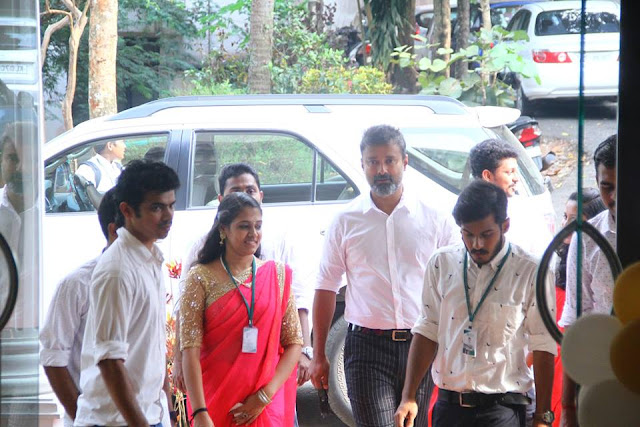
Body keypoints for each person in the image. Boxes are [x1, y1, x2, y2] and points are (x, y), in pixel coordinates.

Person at [310, 124, 457, 427]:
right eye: (373, 162)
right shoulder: (345, 221)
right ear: (362, 164)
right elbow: (326, 286)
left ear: (405, 162)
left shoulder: (435, 217)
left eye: (389, 160)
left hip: (424, 343)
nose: (381, 170)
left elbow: (456, 281)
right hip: (367, 348)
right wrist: (319, 354)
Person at [395, 180, 557, 427]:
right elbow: (427, 328)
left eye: (486, 235)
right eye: (468, 235)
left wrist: (543, 417)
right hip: (449, 408)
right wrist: (408, 396)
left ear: (505, 226)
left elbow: (543, 344)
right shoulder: (442, 263)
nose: (477, 244)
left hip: (502, 409)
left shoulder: (532, 271)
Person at [174, 162, 315, 393]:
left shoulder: (279, 241)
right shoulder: (201, 251)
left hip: (272, 370)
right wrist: (179, 359)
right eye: (235, 191)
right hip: (218, 372)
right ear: (221, 201)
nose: (244, 196)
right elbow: (185, 307)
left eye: (250, 190)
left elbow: (298, 297)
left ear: (261, 195)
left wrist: (305, 350)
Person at [179, 192, 303, 427]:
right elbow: (190, 349)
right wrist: (200, 412)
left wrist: (264, 397)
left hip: (265, 404)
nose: (253, 234)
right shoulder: (201, 277)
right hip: (216, 401)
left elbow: (294, 342)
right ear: (223, 229)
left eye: (258, 226)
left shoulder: (276, 274)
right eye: (244, 226)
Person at [74, 160, 180, 426]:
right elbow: (109, 361)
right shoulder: (118, 270)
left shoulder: (150, 258)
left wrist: (165, 406)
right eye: (156, 207)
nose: (168, 215)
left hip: (147, 414)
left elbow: (151, 344)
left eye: (171, 205)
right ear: (127, 211)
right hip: (113, 421)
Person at [39, 188, 123, 426]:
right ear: (114, 231)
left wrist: (168, 412)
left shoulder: (150, 275)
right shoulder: (77, 284)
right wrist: (83, 417)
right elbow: (53, 357)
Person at [558, 134, 617, 427]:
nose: (615, 197)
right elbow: (575, 320)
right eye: (607, 187)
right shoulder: (586, 239)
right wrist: (567, 405)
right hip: (601, 377)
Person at [548, 188, 604, 427]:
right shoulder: (562, 257)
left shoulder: (591, 251)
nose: (565, 225)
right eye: (565, 217)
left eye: (573, 220)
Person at [469, 138, 553, 258]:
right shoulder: (463, 214)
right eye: (509, 172)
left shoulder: (527, 210)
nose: (516, 179)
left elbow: (545, 257)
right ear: (487, 176)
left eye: (515, 172)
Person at [75, 139, 126, 208]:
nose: (124, 146)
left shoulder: (118, 167)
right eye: (122, 142)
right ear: (110, 145)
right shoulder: (87, 169)